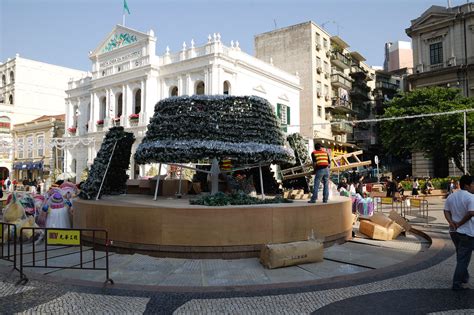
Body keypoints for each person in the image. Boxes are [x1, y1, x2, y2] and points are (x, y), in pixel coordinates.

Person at [443, 174, 474, 291]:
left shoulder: (452, 196)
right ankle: (457, 283)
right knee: (463, 258)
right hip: (467, 232)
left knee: (461, 255)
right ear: (467, 185)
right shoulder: (470, 197)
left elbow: (446, 211)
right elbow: (471, 213)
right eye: (473, 184)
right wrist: (460, 223)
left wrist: (451, 222)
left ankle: (464, 277)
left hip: (454, 231)